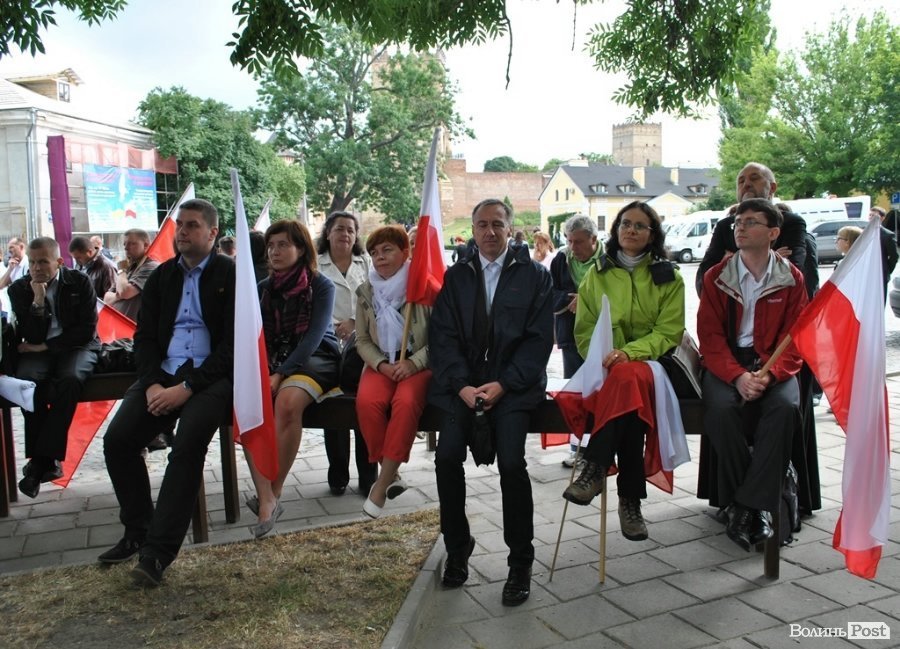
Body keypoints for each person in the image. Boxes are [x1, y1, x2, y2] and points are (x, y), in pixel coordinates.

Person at [99, 198, 235, 586]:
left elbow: (234, 345)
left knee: (187, 447)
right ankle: (137, 530)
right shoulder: (162, 276)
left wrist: (189, 387)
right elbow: (143, 338)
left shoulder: (230, 274)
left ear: (212, 233)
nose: (182, 232)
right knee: (118, 440)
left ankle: (156, 554)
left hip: (211, 377)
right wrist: (154, 383)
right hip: (164, 372)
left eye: (192, 225)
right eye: (180, 225)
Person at [429, 198, 553, 607]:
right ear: (472, 230)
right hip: (462, 388)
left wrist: (504, 384)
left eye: (497, 224)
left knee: (512, 464)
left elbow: (539, 341)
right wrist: (461, 386)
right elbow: (442, 337)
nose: (489, 232)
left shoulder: (535, 276)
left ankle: (520, 562)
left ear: (510, 228)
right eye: (481, 224)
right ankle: (458, 547)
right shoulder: (457, 276)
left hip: (514, 388)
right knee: (447, 458)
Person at [697, 162, 820, 515]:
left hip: (773, 361)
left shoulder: (791, 273)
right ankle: (753, 508)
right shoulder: (718, 276)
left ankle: (745, 508)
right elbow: (710, 336)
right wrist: (738, 376)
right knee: (720, 409)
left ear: (773, 232)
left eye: (750, 222)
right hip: (730, 361)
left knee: (784, 409)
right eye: (738, 222)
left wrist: (769, 374)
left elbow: (795, 334)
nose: (740, 227)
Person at [561, 202, 685, 543]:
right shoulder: (596, 275)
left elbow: (669, 331)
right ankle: (630, 500)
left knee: (628, 377)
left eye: (640, 226)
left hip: (653, 365)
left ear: (652, 235)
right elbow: (584, 331)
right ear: (616, 230)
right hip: (605, 367)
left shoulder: (668, 276)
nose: (631, 230)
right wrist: (606, 357)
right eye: (625, 223)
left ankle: (594, 468)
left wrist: (628, 353)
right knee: (628, 400)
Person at [244, 220, 341, 537]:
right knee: (247, 401)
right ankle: (266, 498)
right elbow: (257, 335)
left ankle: (274, 492)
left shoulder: (320, 285)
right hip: (274, 359)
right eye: (271, 246)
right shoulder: (262, 288)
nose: (275, 251)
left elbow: (314, 336)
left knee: (286, 403)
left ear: (301, 248)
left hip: (316, 358)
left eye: (283, 244)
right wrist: (265, 370)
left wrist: (281, 373)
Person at [8, 237, 100, 498]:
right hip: (37, 348)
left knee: (70, 379)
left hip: (77, 346)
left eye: (43, 262)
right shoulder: (19, 289)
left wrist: (47, 347)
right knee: (27, 382)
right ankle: (47, 462)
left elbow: (86, 330)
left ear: (58, 262)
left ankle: (39, 464)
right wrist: (37, 302)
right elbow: (31, 335)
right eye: (32, 263)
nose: (36, 268)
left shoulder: (79, 282)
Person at [355, 226, 431, 517]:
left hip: (418, 364)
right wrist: (381, 365)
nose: (380, 257)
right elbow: (362, 340)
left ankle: (380, 485)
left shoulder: (423, 287)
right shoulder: (366, 291)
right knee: (367, 403)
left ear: (405, 252)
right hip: (382, 363)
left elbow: (442, 338)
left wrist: (414, 363)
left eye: (387, 250)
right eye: (374, 252)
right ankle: (393, 473)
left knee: (406, 402)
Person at [316, 211, 377, 496]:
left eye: (351, 230)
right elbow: (311, 303)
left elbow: (377, 298)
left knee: (364, 406)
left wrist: (354, 321)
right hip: (326, 341)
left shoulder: (366, 262)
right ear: (328, 233)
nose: (345, 234)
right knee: (334, 407)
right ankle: (338, 473)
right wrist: (333, 326)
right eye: (339, 229)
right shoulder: (315, 263)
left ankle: (368, 476)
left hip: (362, 343)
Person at [697, 162, 808, 296]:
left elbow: (792, 276)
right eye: (741, 181)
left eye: (754, 178)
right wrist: (772, 261)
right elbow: (704, 280)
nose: (746, 184)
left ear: (772, 187)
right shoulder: (724, 227)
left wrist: (730, 265)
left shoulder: (791, 223)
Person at [549, 215, 602, 467]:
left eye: (578, 242)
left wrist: (587, 300)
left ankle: (601, 449)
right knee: (575, 392)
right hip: (571, 335)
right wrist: (570, 299)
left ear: (593, 239)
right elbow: (549, 293)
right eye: (569, 241)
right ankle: (577, 449)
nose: (573, 247)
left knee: (601, 392)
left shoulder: (610, 259)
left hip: (602, 337)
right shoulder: (561, 259)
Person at [103, 229, 159, 322]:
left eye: (132, 243)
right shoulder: (129, 268)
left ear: (145, 245)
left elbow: (125, 292)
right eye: (125, 244)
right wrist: (118, 296)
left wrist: (121, 271)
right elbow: (106, 298)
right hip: (118, 325)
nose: (126, 248)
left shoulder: (151, 267)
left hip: (136, 327)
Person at [69, 235, 116, 299]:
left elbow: (111, 297)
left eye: (79, 258)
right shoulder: (80, 265)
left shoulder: (106, 267)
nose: (77, 262)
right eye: (75, 258)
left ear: (90, 252)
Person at [867, 206, 899, 301]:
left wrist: (887, 270)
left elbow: (894, 257)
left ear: (882, 218)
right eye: (870, 215)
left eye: (874, 215)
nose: (871, 217)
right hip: (866, 274)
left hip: (880, 274)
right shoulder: (863, 233)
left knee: (879, 301)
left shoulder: (887, 235)